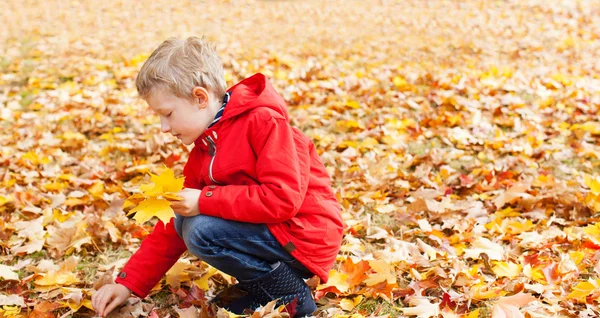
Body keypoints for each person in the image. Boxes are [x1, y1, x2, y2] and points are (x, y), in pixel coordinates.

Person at [91, 36, 344, 317]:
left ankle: (288, 294)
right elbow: (172, 224)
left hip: (304, 235)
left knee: (200, 230)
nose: (163, 127)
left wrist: (205, 200)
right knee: (188, 220)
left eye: (168, 114)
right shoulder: (205, 145)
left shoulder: (264, 123)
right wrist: (129, 284)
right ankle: (262, 287)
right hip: (274, 234)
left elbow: (282, 199)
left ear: (200, 97)